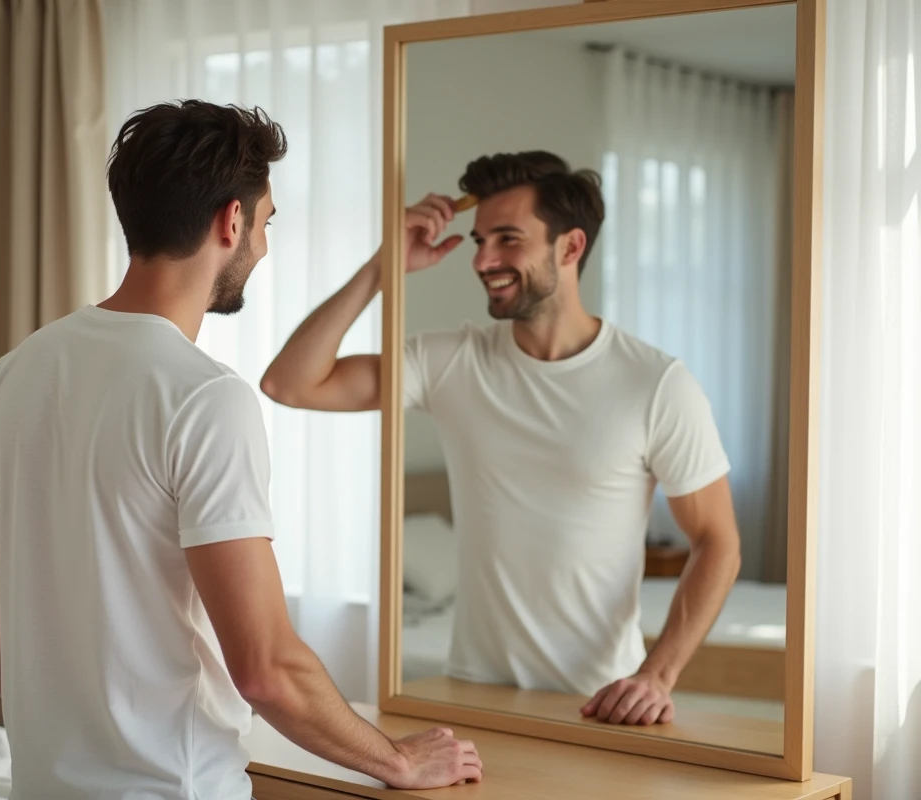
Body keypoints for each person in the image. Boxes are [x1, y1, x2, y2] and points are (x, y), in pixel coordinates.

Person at [0, 100, 482, 799]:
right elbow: (266, 668)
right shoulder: (205, 397)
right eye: (267, 223)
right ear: (232, 221)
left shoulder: (17, 372)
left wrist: (54, 713)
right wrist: (398, 761)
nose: (264, 246)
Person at [259, 151, 743, 727]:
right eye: (479, 240)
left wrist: (658, 675)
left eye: (508, 239)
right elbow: (289, 383)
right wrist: (382, 266)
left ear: (570, 247)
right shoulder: (451, 362)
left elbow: (717, 541)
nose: (483, 260)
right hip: (472, 695)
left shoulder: (656, 384)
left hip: (601, 702)